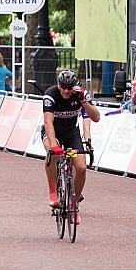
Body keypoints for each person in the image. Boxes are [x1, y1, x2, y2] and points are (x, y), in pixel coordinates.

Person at [42, 70, 100, 225]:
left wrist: (84, 101)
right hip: (52, 130)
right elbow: (48, 122)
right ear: (58, 85)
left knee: (81, 167)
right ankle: (53, 192)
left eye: (69, 88)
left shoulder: (80, 94)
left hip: (71, 133)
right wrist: (54, 146)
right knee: (52, 155)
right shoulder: (50, 94)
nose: (66, 91)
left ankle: (74, 205)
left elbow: (96, 117)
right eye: (63, 87)